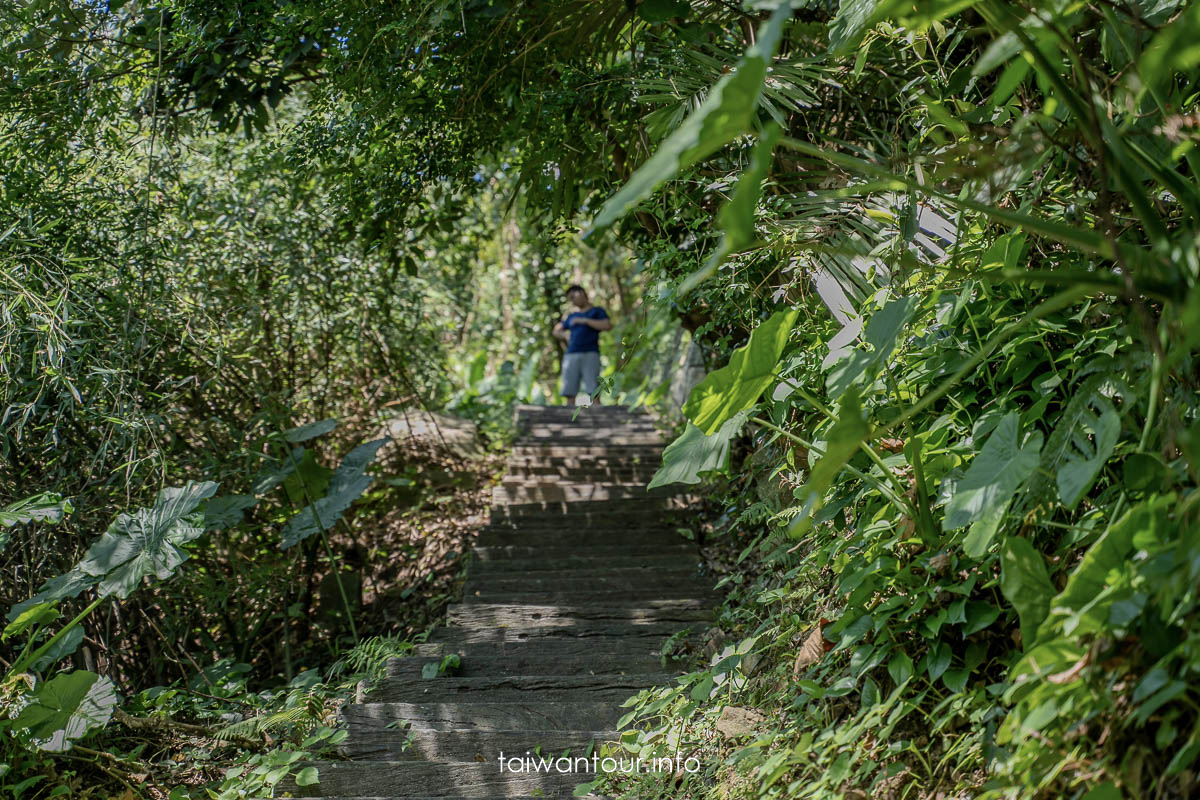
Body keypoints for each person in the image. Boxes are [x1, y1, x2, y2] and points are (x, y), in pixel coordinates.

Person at [552, 284, 612, 405]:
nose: (572, 300)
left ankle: (600, 418)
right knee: (570, 391)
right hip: (571, 354)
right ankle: (568, 420)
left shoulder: (597, 311)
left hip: (590, 353)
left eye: (573, 296)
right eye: (570, 298)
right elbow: (556, 330)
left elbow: (607, 325)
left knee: (593, 389)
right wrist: (564, 335)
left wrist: (584, 321)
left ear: (582, 293)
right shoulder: (571, 316)